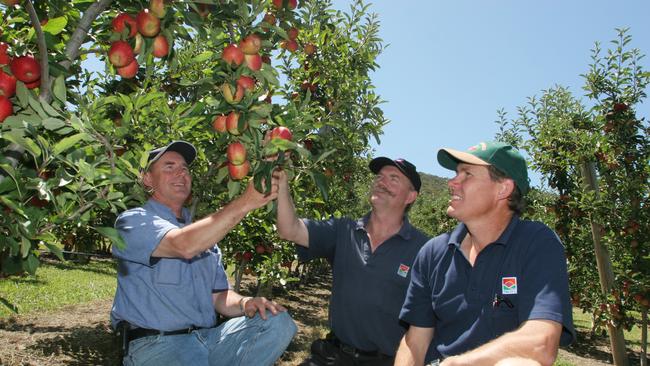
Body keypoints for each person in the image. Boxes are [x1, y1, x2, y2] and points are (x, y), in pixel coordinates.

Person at [110, 140, 297, 366]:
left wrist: (246, 302)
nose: (180, 173)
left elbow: (219, 297)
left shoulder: (205, 236)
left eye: (185, 169)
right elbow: (183, 246)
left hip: (208, 340)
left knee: (278, 322)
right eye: (169, 166)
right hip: (156, 346)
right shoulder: (133, 221)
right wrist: (245, 202)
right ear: (148, 179)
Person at [395, 141, 576, 366]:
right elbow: (416, 340)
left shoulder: (536, 243)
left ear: (504, 189)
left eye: (467, 174)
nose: (452, 182)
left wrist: (456, 364)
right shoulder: (433, 253)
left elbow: (541, 342)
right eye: (455, 173)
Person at [275, 157, 430, 365]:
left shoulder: (424, 249)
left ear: (411, 196)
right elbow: (290, 230)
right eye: (379, 176)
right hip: (333, 355)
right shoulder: (344, 231)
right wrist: (282, 183)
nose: (381, 182)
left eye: (394, 179)